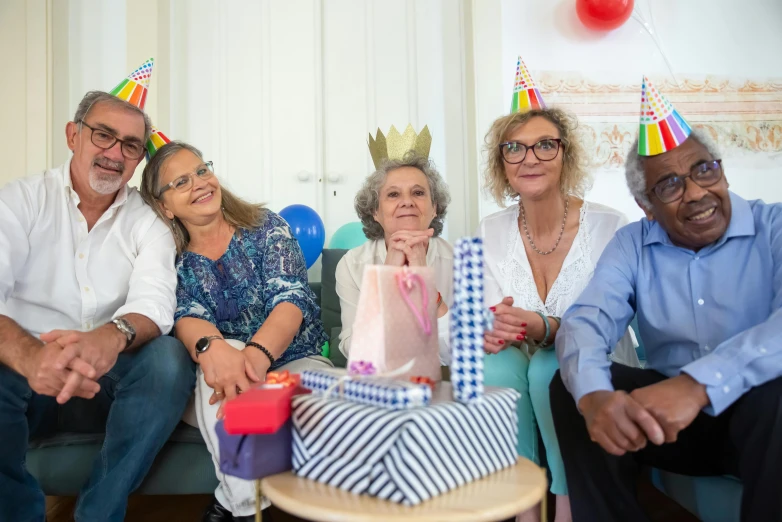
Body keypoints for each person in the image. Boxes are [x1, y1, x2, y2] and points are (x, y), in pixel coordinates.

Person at [550, 77, 782, 522]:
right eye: (670, 185)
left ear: (723, 171)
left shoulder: (773, 227)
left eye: (703, 170)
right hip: (669, 426)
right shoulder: (631, 244)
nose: (695, 192)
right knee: (569, 385)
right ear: (645, 204)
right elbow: (586, 321)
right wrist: (595, 398)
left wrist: (697, 385)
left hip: (762, 424)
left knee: (777, 394)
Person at [0, 65, 196, 522]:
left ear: (138, 159)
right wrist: (30, 355)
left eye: (130, 145)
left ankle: (98, 513)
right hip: (30, 378)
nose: (114, 153)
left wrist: (108, 338)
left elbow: (155, 302)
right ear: (73, 135)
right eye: (103, 135)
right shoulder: (19, 202)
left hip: (113, 379)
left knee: (168, 359)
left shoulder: (149, 221)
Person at [478, 59, 638, 522]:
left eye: (545, 145)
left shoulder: (610, 226)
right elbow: (489, 311)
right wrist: (491, 328)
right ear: (502, 163)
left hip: (595, 357)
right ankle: (524, 509)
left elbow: (611, 323)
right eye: (515, 148)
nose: (530, 158)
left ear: (565, 154)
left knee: (551, 365)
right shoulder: (491, 229)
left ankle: (571, 507)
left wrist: (545, 328)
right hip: (521, 355)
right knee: (499, 365)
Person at [140, 139, 332, 522]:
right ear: (164, 206)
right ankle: (249, 509)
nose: (199, 183)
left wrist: (254, 361)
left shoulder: (266, 228)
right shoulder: (169, 259)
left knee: (326, 406)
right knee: (220, 353)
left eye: (201, 170)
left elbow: (290, 301)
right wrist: (222, 353)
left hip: (293, 366)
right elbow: (186, 316)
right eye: (180, 183)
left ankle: (231, 504)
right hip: (220, 382)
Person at [335, 151, 453, 362]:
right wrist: (387, 280)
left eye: (418, 193)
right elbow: (358, 354)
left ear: (435, 208)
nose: (407, 202)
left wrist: (427, 288)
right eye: (393, 194)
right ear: (375, 211)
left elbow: (463, 353)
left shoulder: (460, 262)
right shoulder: (352, 265)